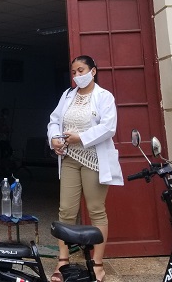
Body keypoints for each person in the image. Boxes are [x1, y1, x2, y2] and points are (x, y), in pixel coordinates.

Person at [46, 55, 123, 282]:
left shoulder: (104, 97)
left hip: (94, 159)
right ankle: (62, 262)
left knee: (96, 209)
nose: (77, 76)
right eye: (74, 72)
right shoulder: (67, 95)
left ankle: (98, 264)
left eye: (81, 70)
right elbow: (53, 120)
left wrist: (81, 137)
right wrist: (54, 139)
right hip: (69, 157)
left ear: (93, 71)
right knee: (66, 210)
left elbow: (109, 127)